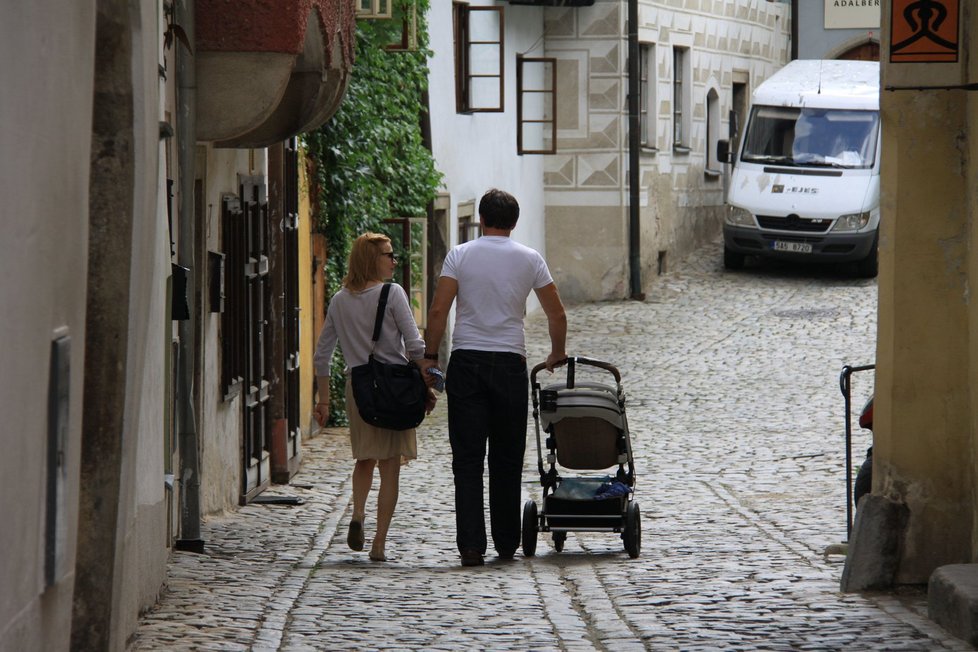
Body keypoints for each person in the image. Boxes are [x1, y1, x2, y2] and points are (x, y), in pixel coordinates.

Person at [420, 189, 567, 567]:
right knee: (506, 457)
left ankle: (471, 546)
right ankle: (505, 543)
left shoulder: (460, 255)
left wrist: (431, 356)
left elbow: (438, 311)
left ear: (481, 220)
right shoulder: (530, 259)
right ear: (514, 223)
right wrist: (556, 353)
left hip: (467, 362)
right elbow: (557, 314)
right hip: (509, 364)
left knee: (467, 459)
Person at [313, 232, 436, 562]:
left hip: (360, 389)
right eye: (388, 255)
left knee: (364, 459)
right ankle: (379, 544)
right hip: (395, 388)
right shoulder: (392, 293)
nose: (393, 261)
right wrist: (427, 379)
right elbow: (414, 345)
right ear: (371, 260)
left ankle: (358, 515)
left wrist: (323, 401)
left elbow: (322, 354)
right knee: (390, 466)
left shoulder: (339, 300)